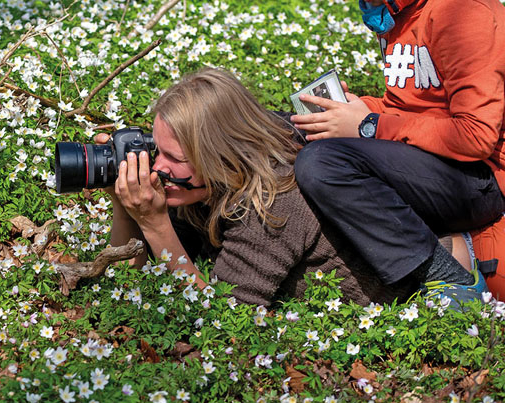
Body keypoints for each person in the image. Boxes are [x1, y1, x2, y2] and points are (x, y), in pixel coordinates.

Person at [290, 0, 505, 303]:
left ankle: (448, 279)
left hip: (481, 180)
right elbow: (411, 105)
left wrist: (368, 126)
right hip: (429, 162)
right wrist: (355, 108)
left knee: (323, 165)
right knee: (289, 128)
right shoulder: (400, 4)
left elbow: (475, 136)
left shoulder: (465, 12)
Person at [104, 67, 404, 307]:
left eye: (175, 157)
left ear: (220, 156)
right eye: (158, 150)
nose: (158, 167)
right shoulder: (206, 185)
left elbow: (222, 319)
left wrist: (156, 226)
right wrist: (124, 206)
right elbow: (133, 274)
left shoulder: (272, 202)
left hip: (415, 299)